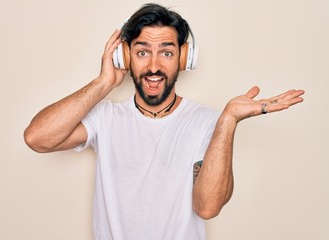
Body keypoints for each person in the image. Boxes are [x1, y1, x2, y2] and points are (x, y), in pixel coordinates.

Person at [24, 3, 304, 240]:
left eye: (167, 52)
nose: (154, 66)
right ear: (125, 56)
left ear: (184, 57)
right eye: (142, 52)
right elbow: (37, 138)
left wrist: (228, 120)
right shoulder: (106, 117)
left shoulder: (209, 123)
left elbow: (207, 207)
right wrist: (104, 82)